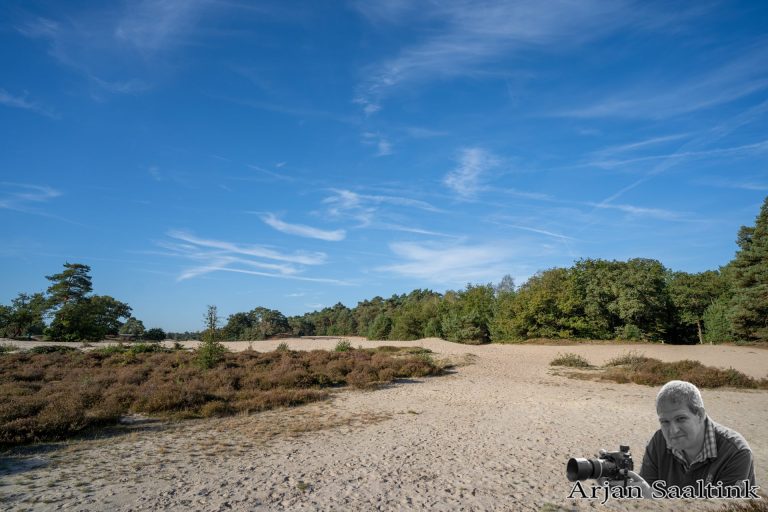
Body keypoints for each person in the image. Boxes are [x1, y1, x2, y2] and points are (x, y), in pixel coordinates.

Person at [604, 380, 755, 498]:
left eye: (681, 419)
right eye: (665, 422)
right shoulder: (659, 441)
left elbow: (724, 508)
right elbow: (645, 497)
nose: (673, 430)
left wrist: (654, 500)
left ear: (700, 415)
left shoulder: (736, 452)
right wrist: (618, 488)